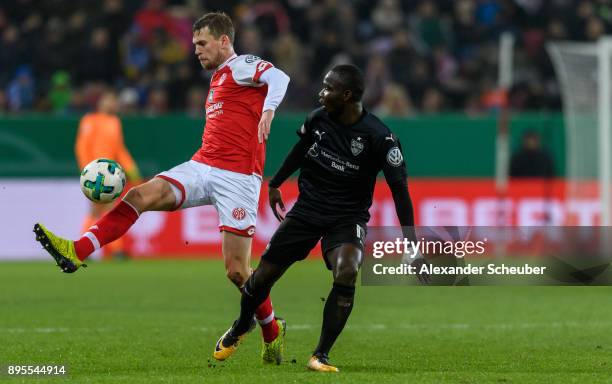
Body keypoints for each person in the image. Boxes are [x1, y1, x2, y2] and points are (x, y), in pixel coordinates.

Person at [33, 12, 290, 363]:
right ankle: (76, 250)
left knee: (237, 271)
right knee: (139, 194)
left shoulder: (241, 65)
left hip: (238, 179)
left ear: (224, 41)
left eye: (202, 43)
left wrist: (269, 109)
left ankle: (272, 330)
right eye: (194, 43)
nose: (196, 50)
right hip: (202, 166)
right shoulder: (217, 78)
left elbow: (280, 77)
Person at [212, 64, 424, 372]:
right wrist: (275, 183)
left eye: (329, 88)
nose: (321, 93)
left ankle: (320, 355)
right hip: (307, 210)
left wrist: (411, 244)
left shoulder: (381, 138)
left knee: (348, 270)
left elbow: (400, 191)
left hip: (347, 217)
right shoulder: (318, 118)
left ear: (347, 95)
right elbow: (301, 150)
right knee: (261, 279)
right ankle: (244, 324)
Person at [75, 90, 142, 259]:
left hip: (111, 174)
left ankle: (88, 248)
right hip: (95, 174)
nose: (112, 104)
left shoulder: (115, 122)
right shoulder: (89, 120)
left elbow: (119, 149)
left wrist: (131, 169)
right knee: (100, 210)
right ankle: (111, 250)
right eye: (109, 100)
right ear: (101, 103)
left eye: (114, 101)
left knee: (105, 211)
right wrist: (87, 171)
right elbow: (82, 147)